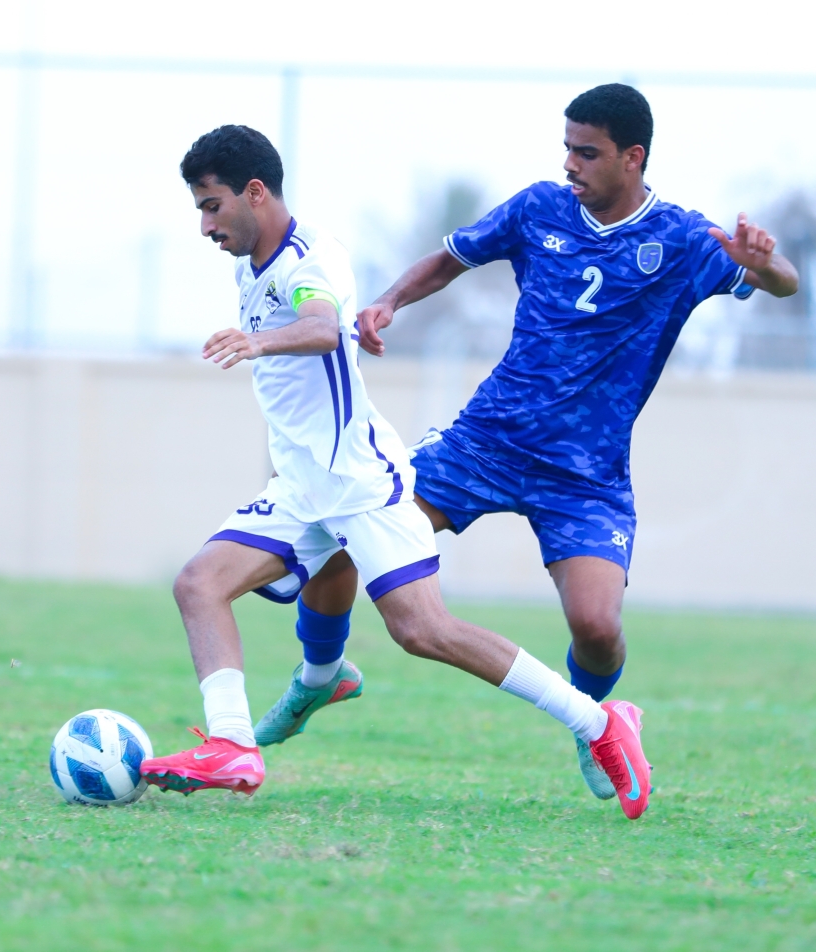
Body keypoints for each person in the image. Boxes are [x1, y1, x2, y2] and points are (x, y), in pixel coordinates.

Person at [255, 83, 798, 802]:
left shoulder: (685, 240)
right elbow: (453, 256)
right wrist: (388, 301)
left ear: (633, 158)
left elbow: (785, 284)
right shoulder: (540, 206)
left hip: (585, 475)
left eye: (588, 151)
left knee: (598, 628)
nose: (571, 163)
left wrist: (763, 264)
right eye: (567, 147)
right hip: (483, 443)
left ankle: (591, 725)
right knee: (352, 531)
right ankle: (318, 676)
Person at [139, 124, 653, 820]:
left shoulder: (309, 262)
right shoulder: (247, 266)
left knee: (422, 631)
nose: (204, 224)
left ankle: (598, 723)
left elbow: (323, 326)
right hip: (302, 491)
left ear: (254, 193)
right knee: (198, 584)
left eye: (211, 206)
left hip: (359, 483)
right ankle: (233, 745)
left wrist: (256, 341)